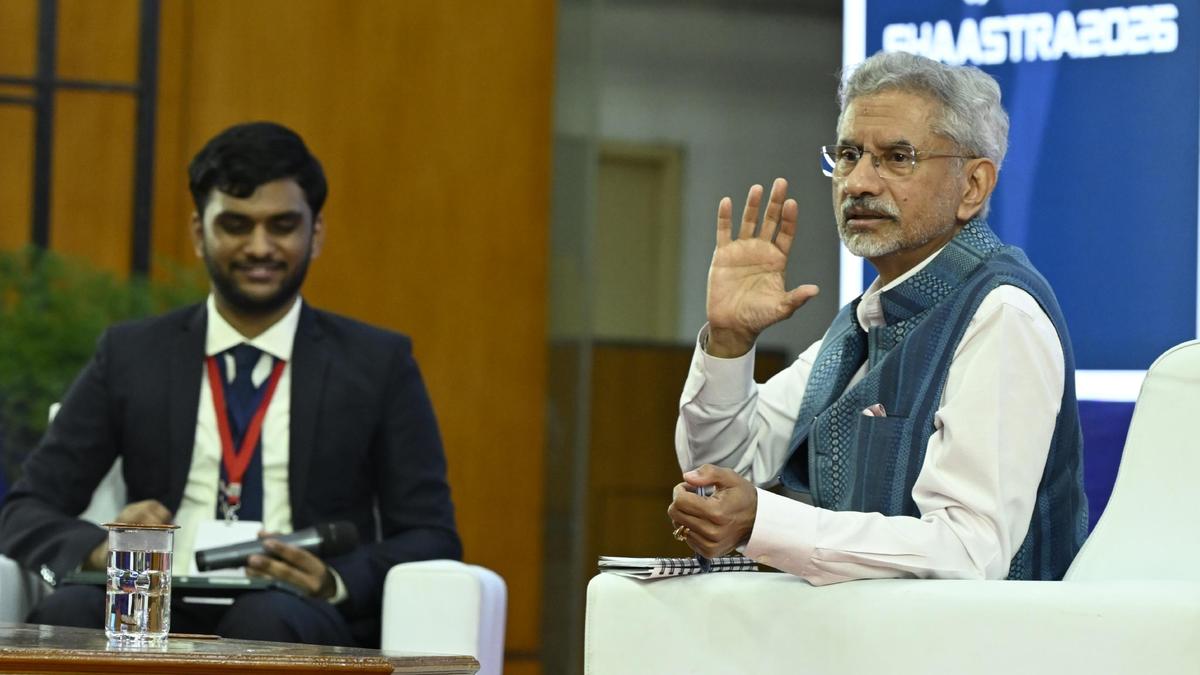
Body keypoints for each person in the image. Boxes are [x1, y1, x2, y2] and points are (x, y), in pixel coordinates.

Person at [0, 121, 460, 646]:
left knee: (264, 624)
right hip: (155, 596)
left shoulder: (378, 363)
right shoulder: (132, 355)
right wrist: (103, 550)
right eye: (236, 225)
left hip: (293, 608)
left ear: (317, 233)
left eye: (282, 226)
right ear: (200, 233)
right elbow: (26, 507)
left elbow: (431, 534)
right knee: (70, 614)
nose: (259, 247)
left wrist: (332, 580)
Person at [667, 51, 1086, 583]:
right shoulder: (864, 321)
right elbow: (725, 468)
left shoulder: (1002, 314)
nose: (858, 182)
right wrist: (728, 342)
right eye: (848, 155)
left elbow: (968, 552)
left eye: (897, 157)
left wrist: (764, 520)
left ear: (973, 186)